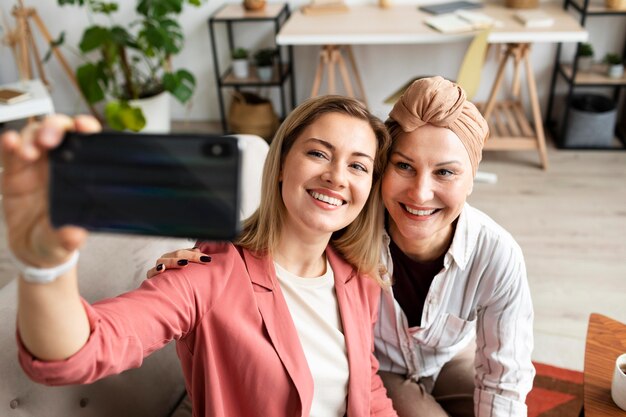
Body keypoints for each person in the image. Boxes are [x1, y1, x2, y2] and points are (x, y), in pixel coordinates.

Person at [155, 77, 535, 417]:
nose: (420, 193)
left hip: (448, 356)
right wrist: (207, 259)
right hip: (378, 370)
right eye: (403, 166)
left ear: (472, 181)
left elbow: (505, 377)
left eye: (446, 172)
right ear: (381, 170)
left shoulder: (496, 253)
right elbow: (274, 241)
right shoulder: (341, 222)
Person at [1, 96, 399, 417]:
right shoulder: (210, 271)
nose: (337, 176)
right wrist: (45, 266)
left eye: (358, 166)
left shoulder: (358, 277)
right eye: (318, 153)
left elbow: (368, 390)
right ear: (280, 165)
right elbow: (82, 352)